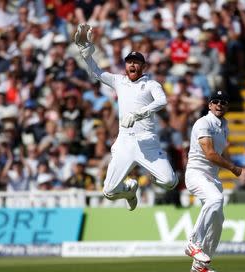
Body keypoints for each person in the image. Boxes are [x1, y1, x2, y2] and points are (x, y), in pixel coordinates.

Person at [74, 24, 178, 211]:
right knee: (109, 192)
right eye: (129, 61)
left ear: (143, 66)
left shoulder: (151, 84)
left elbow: (162, 101)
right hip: (124, 142)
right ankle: (129, 190)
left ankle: (152, 176)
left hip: (147, 142)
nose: (132, 64)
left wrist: (139, 114)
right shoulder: (119, 81)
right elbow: (96, 72)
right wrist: (87, 55)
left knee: (170, 181)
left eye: (136, 62)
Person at [185, 90, 244, 272]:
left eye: (223, 102)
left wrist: (231, 162)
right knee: (215, 199)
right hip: (196, 174)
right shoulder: (203, 123)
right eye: (216, 101)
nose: (219, 104)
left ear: (227, 107)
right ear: (209, 105)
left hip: (212, 177)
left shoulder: (224, 124)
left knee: (218, 221)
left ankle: (199, 267)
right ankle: (193, 243)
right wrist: (233, 168)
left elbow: (221, 151)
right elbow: (210, 154)